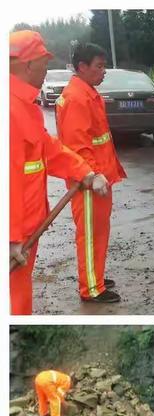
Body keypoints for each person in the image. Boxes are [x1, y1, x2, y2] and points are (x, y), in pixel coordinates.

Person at [9, 30, 105, 315]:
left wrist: (85, 172)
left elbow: (48, 149)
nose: (46, 69)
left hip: (26, 230)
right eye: (44, 62)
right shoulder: (10, 110)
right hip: (16, 235)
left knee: (19, 298)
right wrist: (10, 237)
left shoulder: (24, 106)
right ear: (28, 64)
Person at [56, 43, 127, 303]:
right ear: (82, 67)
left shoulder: (86, 93)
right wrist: (92, 176)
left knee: (98, 232)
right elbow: (78, 147)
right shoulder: (77, 98)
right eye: (99, 66)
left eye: (104, 65)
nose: (104, 71)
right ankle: (91, 289)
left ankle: (95, 275)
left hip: (99, 178)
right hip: (88, 182)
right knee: (90, 235)